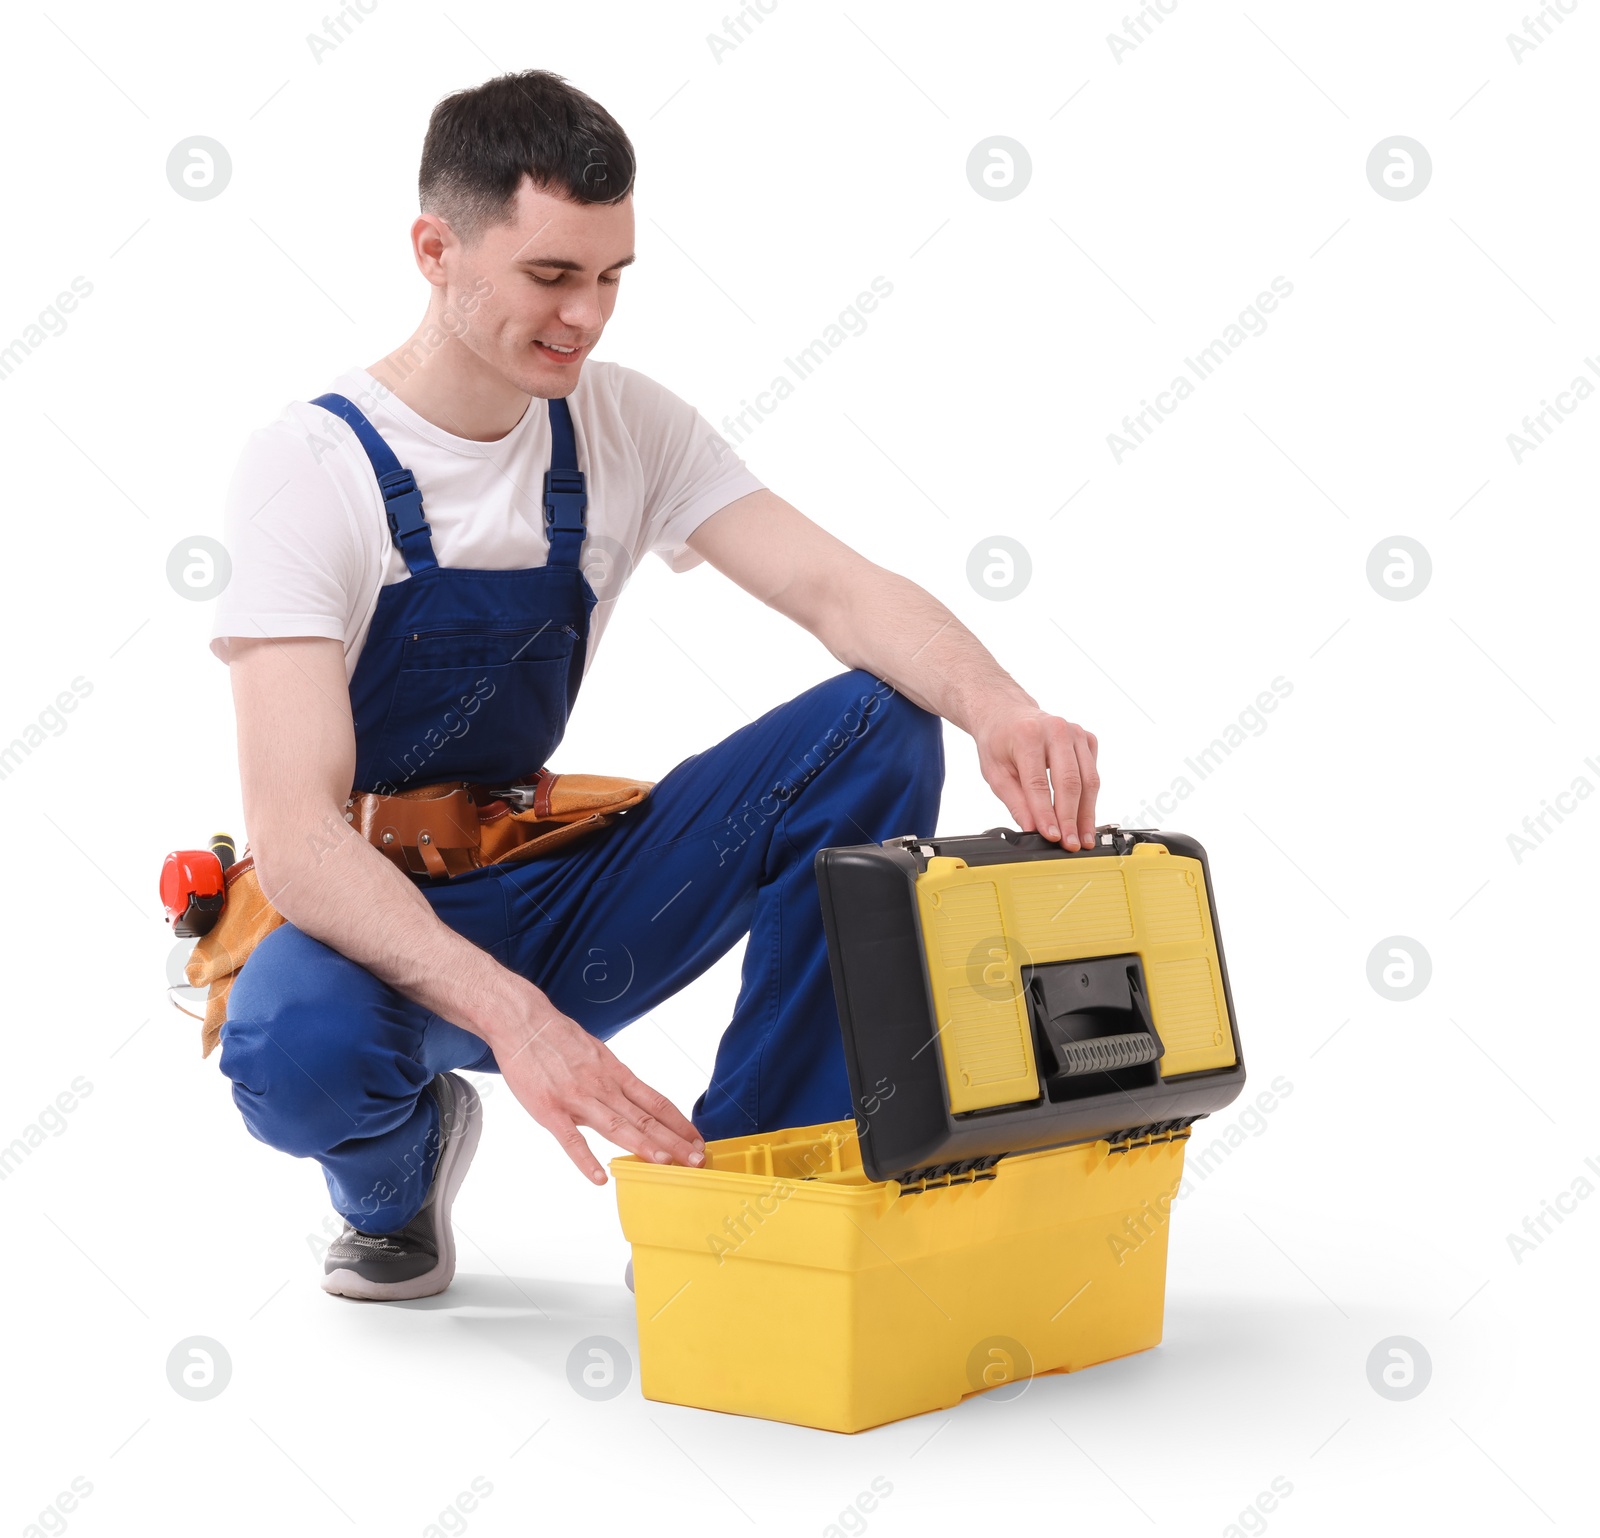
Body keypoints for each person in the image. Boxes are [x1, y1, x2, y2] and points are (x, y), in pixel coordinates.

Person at [210, 69, 1101, 1301]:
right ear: (435, 249)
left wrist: (998, 703)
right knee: (290, 1044)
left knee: (880, 722)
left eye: (612, 275)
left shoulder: (623, 428)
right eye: (551, 275)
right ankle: (398, 1171)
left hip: (551, 884)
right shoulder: (308, 468)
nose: (588, 315)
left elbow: (841, 592)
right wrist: (515, 1021)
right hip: (371, 919)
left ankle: (742, 1197)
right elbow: (298, 837)